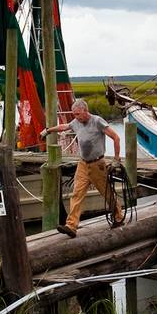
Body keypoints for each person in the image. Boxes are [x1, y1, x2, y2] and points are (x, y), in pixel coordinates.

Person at [40, 99, 122, 238]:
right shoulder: (76, 122)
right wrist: (47, 131)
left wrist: (116, 159)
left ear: (85, 110)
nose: (76, 117)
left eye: (78, 114)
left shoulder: (97, 121)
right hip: (83, 164)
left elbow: (116, 137)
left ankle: (118, 217)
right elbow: (64, 127)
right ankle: (71, 226)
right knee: (77, 194)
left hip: (98, 165)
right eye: (74, 114)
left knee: (107, 193)